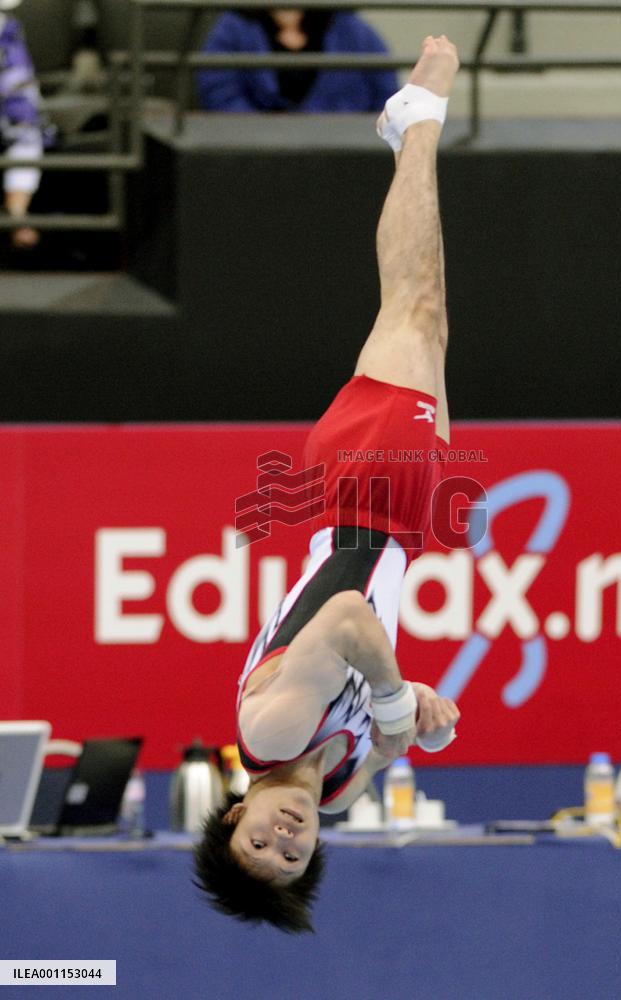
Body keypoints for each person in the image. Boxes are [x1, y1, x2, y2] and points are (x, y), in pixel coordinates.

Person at [194, 36, 461, 934]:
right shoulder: (342, 786)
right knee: (426, 318)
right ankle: (409, 134)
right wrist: (422, 716)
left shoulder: (269, 737)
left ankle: (416, 120)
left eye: (257, 845)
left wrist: (391, 697)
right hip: (404, 526)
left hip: (357, 506)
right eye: (292, 859)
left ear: (234, 813)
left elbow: (348, 624)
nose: (284, 840)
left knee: (412, 305)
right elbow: (399, 727)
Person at [196, 7, 397, 113]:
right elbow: (218, 95)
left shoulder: (351, 27)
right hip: (255, 158)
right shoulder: (233, 27)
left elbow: (385, 96)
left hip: (342, 159)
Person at [0, 0, 42, 249]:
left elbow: (21, 91)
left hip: (10, 115)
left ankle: (16, 213)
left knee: (27, 138)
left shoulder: (10, 32)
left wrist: (22, 120)